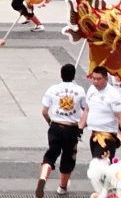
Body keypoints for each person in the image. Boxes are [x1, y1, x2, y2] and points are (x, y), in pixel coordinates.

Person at [36, 64, 87, 198]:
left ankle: (43, 178)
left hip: (55, 127)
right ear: (74, 75)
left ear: (61, 74)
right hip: (71, 128)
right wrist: (82, 126)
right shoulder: (80, 91)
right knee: (68, 157)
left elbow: (44, 111)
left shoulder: (52, 89)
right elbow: (86, 109)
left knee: (50, 155)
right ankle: (62, 187)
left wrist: (50, 122)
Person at [81, 66, 121, 162]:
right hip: (94, 135)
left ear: (106, 79)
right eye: (93, 78)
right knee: (97, 163)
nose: (95, 81)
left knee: (99, 165)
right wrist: (80, 127)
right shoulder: (91, 90)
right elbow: (87, 109)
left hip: (107, 137)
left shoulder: (113, 94)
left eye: (98, 79)